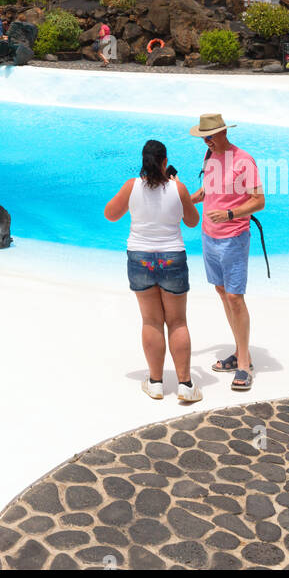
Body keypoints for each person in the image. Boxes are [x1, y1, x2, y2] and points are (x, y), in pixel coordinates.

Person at [105, 140, 202, 403]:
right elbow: (193, 222)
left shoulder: (131, 186)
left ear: (143, 161)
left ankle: (156, 382)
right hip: (172, 258)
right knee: (178, 322)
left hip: (140, 258)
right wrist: (181, 192)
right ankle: (185, 384)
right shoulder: (177, 188)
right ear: (164, 161)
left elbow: (110, 214)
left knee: (151, 321)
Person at [187, 113, 265, 391]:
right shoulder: (210, 158)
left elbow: (259, 201)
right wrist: (182, 198)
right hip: (209, 236)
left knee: (234, 296)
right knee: (222, 292)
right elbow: (207, 192)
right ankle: (240, 351)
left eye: (209, 136)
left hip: (233, 237)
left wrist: (231, 213)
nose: (206, 141)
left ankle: (244, 364)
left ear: (223, 133)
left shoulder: (244, 160)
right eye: (203, 138)